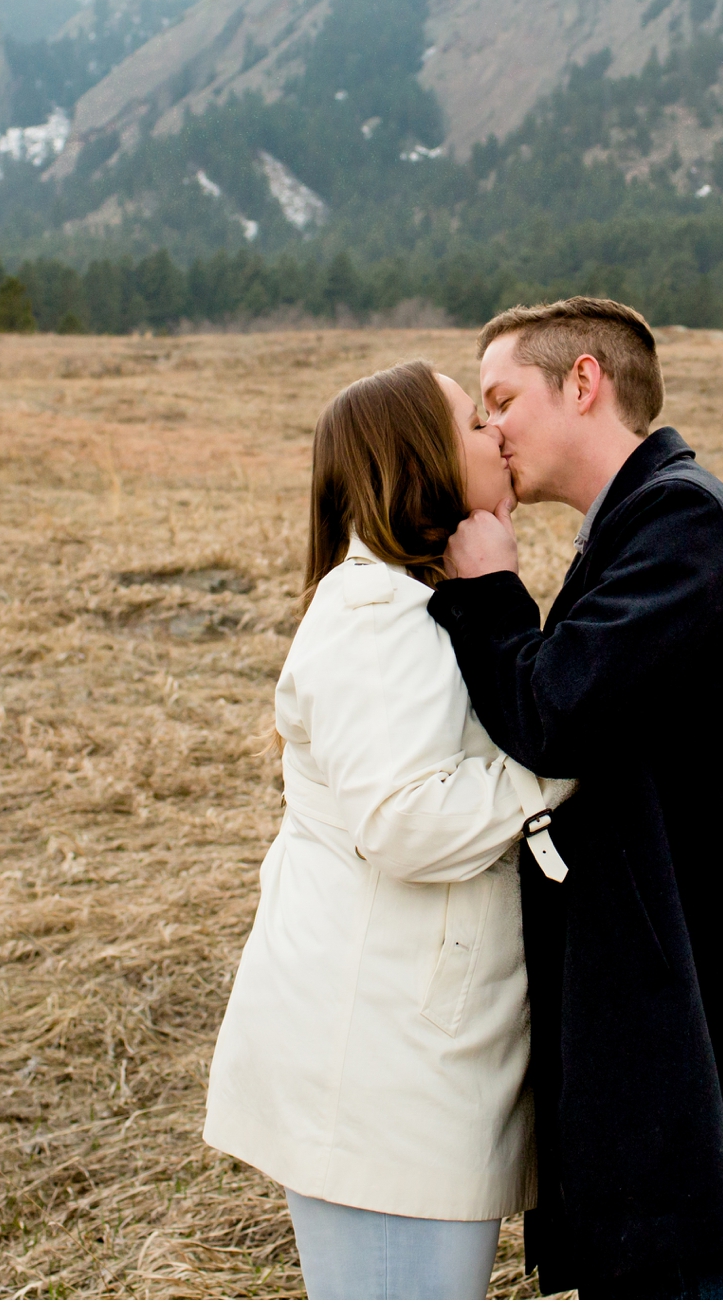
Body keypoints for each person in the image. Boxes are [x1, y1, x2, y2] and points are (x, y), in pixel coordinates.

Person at [428, 298, 723, 1300]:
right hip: (653, 1031)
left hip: (683, 1045)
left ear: (583, 382)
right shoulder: (639, 526)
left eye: (501, 398)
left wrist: (490, 594)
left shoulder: (684, 524)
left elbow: (557, 711)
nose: (490, 428)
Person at [204, 359, 576, 1301]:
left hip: (411, 1061)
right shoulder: (379, 618)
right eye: (471, 422)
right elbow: (405, 820)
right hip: (378, 1076)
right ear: (422, 460)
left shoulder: (416, 607)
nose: (496, 434)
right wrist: (561, 758)